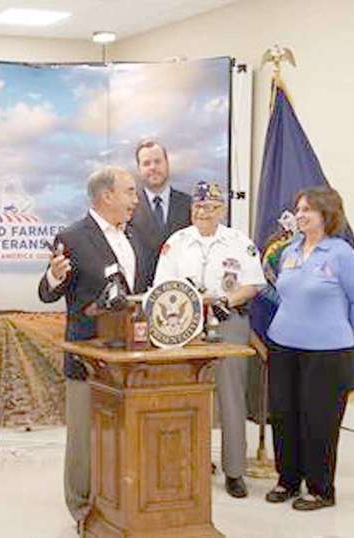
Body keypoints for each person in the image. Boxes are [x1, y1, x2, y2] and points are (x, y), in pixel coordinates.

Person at [38, 166, 150, 532]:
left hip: (131, 357)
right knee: (84, 439)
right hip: (88, 359)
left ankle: (121, 499)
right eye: (129, 191)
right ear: (106, 196)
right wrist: (54, 275)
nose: (136, 199)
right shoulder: (72, 237)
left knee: (125, 433)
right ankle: (82, 507)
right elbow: (47, 292)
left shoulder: (135, 235)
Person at [153, 181, 265, 499]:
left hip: (229, 322)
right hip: (184, 325)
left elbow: (254, 284)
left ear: (222, 210)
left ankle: (234, 470)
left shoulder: (239, 242)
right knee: (188, 395)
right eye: (198, 206)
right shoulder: (176, 242)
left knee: (232, 395)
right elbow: (163, 284)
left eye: (210, 207)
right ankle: (193, 463)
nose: (203, 212)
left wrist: (226, 300)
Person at [264, 186, 354, 511]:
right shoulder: (290, 251)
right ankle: (287, 480)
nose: (300, 215)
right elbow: (284, 294)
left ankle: (320, 489)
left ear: (327, 214)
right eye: (298, 209)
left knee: (319, 420)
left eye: (307, 209)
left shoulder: (341, 254)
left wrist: (341, 334)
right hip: (283, 346)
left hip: (327, 353)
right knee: (284, 415)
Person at [129, 139, 192, 289]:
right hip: (140, 293)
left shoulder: (189, 204)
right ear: (139, 169)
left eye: (157, 161)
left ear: (167, 164)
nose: (153, 167)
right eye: (146, 163)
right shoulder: (128, 207)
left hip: (180, 290)